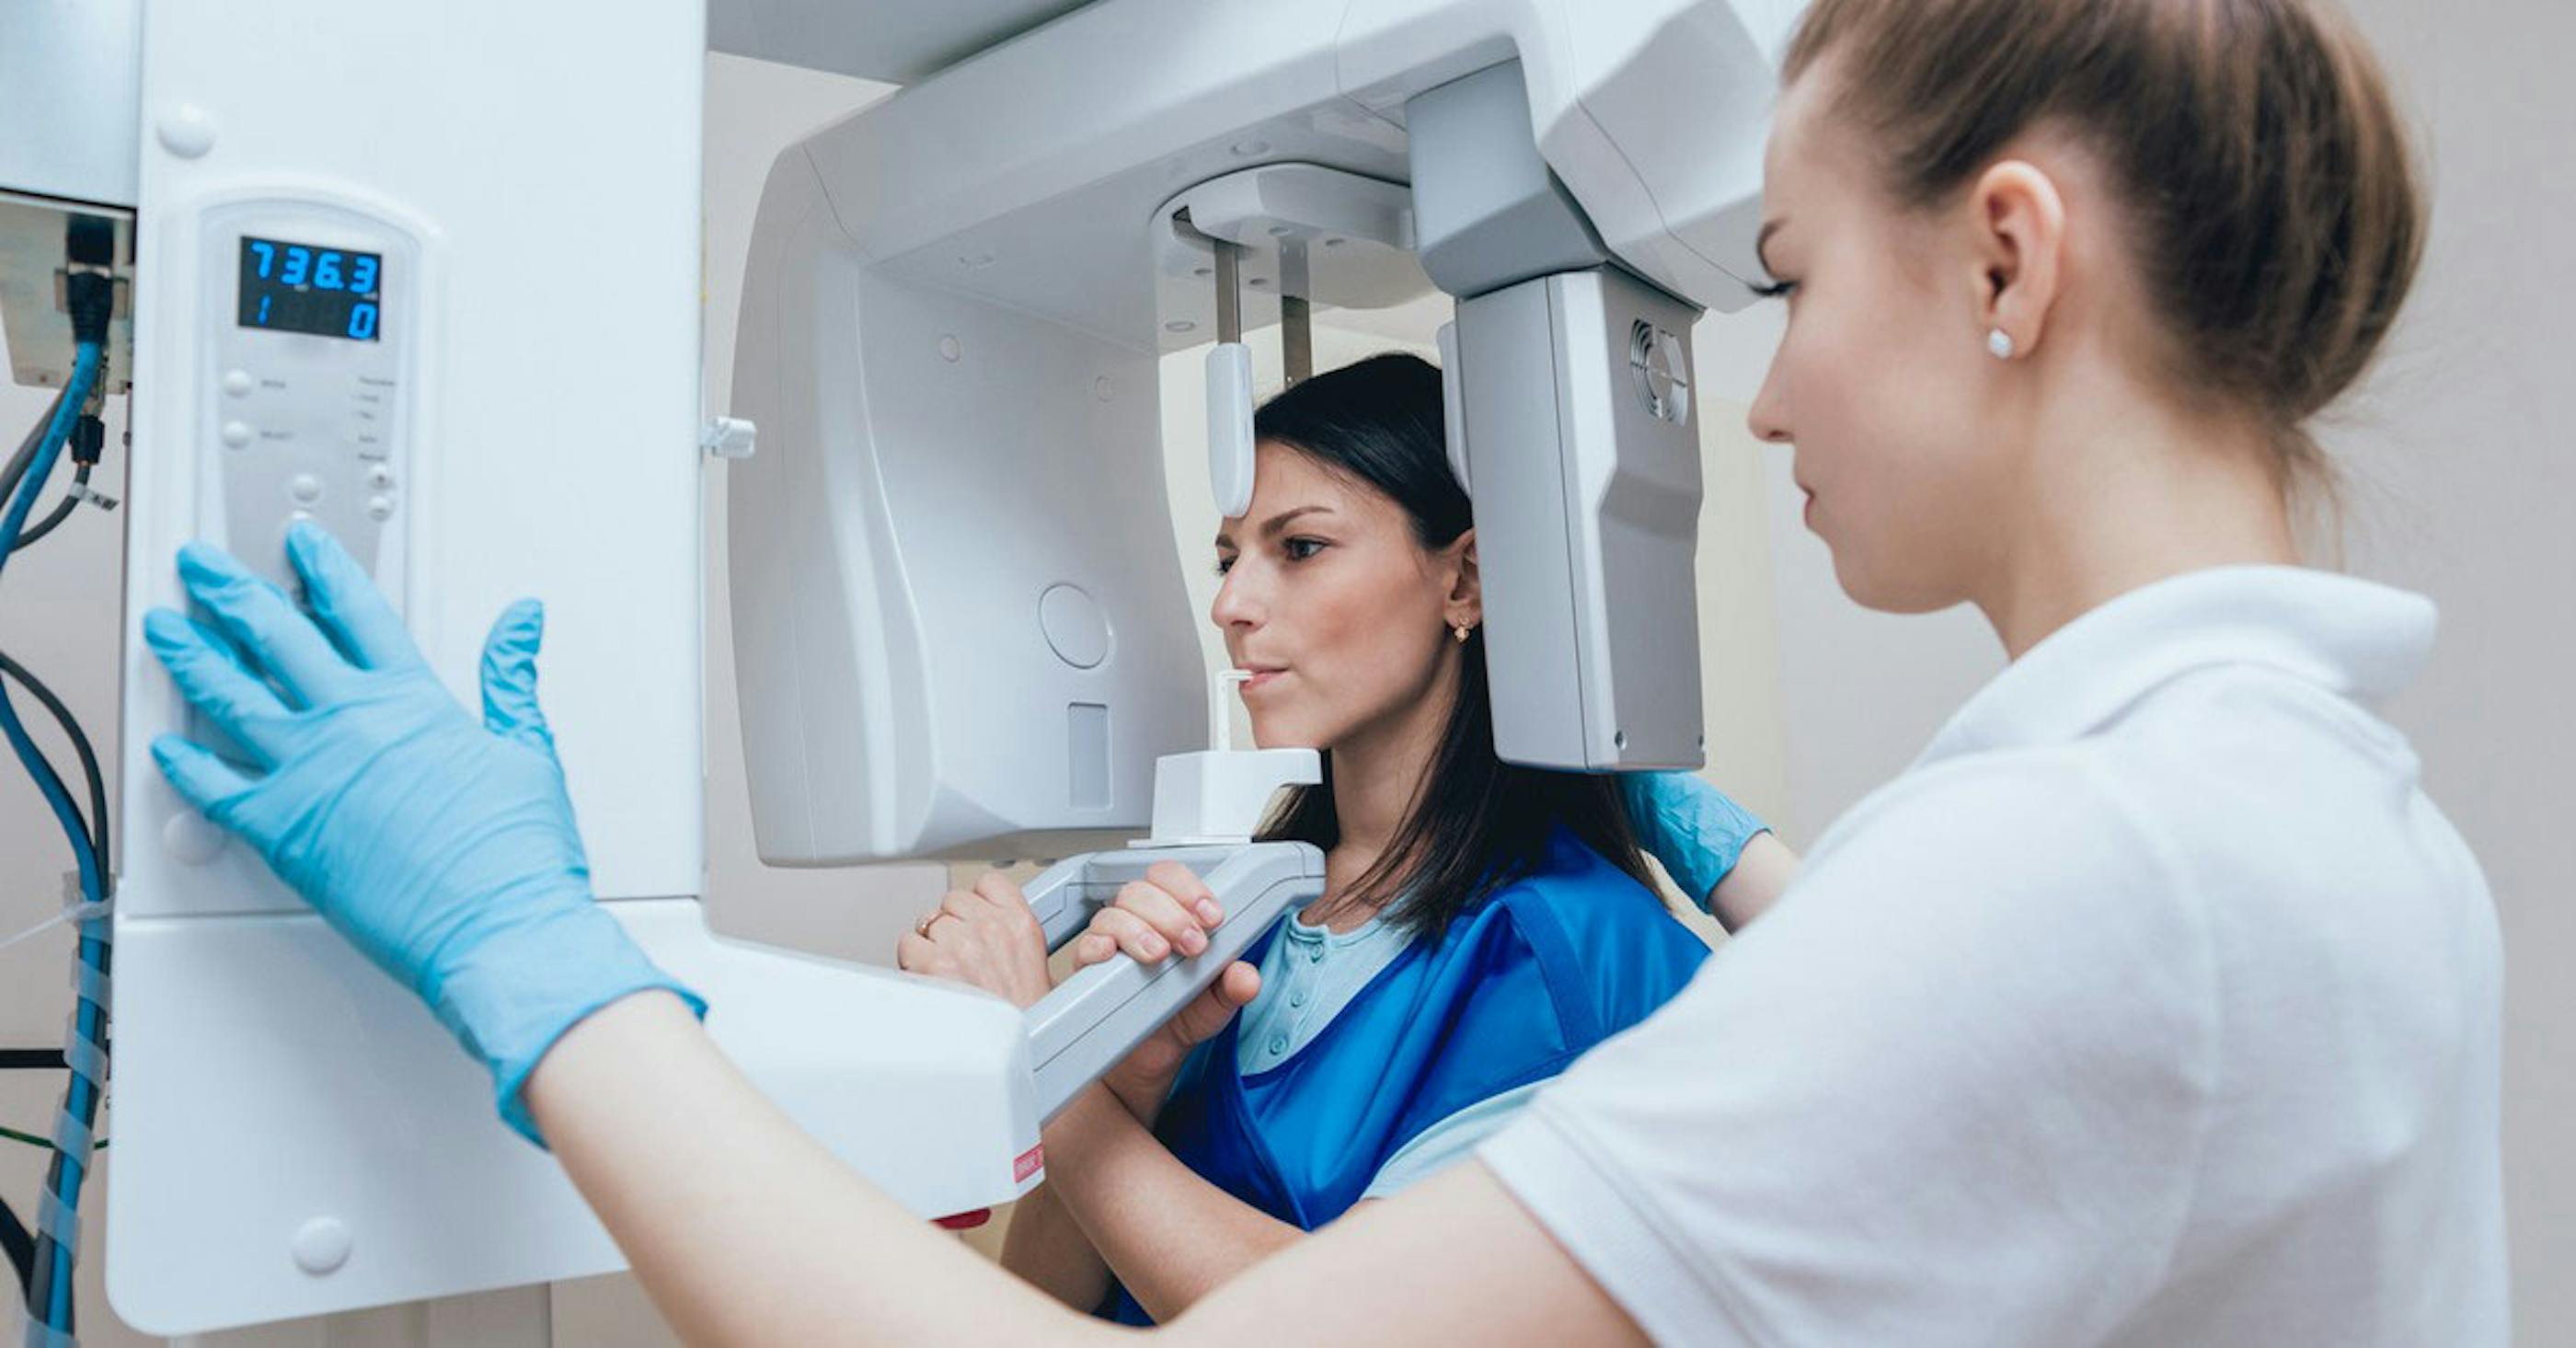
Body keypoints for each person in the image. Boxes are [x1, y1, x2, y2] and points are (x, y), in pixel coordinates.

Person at [141, 0, 2504, 1341]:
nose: (1764, 399)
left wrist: (544, 969)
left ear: (2005, 262)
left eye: (1785, 282)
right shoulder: (2284, 820)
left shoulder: (2087, 868)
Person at [888, 354, 1786, 1322]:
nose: (1230, 604)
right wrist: (1126, 1081)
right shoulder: (1233, 915)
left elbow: (1346, 1326)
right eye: (1228, 559)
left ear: (1464, 579)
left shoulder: (1562, 947)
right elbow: (1043, 1308)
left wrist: (1044, 1074)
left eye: (1301, 547)